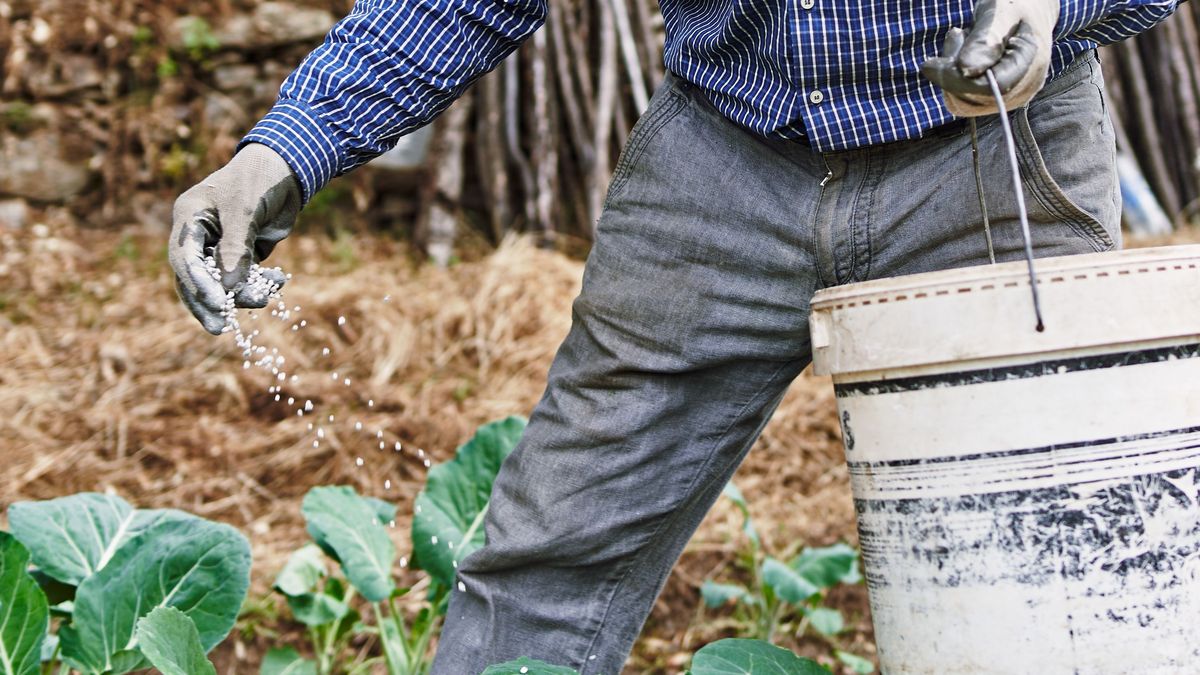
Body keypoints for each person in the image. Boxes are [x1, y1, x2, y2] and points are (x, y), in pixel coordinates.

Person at [168, 0, 1180, 671]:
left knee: (1052, 581)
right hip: (720, 156)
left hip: (990, 154)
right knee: (550, 560)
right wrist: (282, 152)